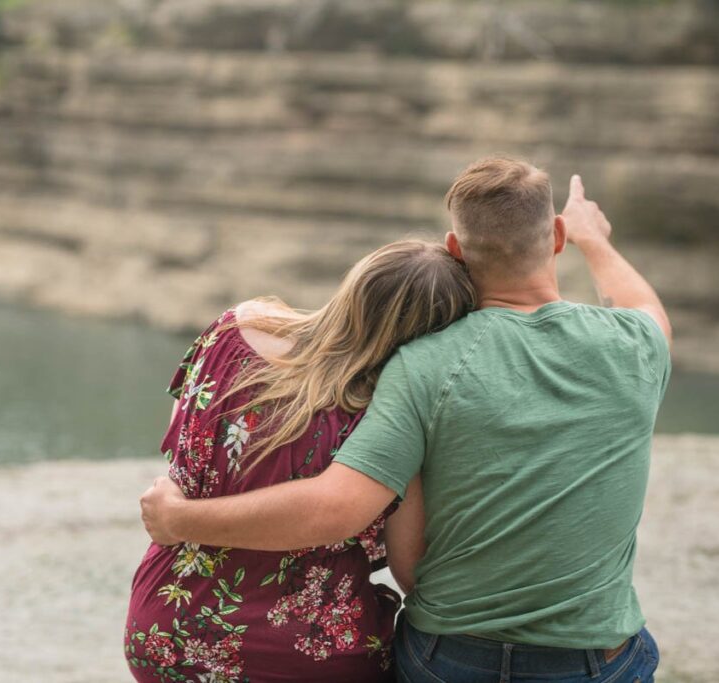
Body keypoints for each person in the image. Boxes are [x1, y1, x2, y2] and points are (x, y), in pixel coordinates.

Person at [141, 157, 673, 683]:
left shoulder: (420, 364)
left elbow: (349, 515)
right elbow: (646, 307)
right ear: (556, 236)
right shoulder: (637, 345)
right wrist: (595, 240)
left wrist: (178, 520)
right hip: (593, 661)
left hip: (451, 658)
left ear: (456, 250)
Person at [124, 240, 476, 683]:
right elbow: (410, 567)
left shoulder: (233, 328)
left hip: (166, 627)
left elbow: (182, 448)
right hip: (304, 651)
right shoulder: (387, 420)